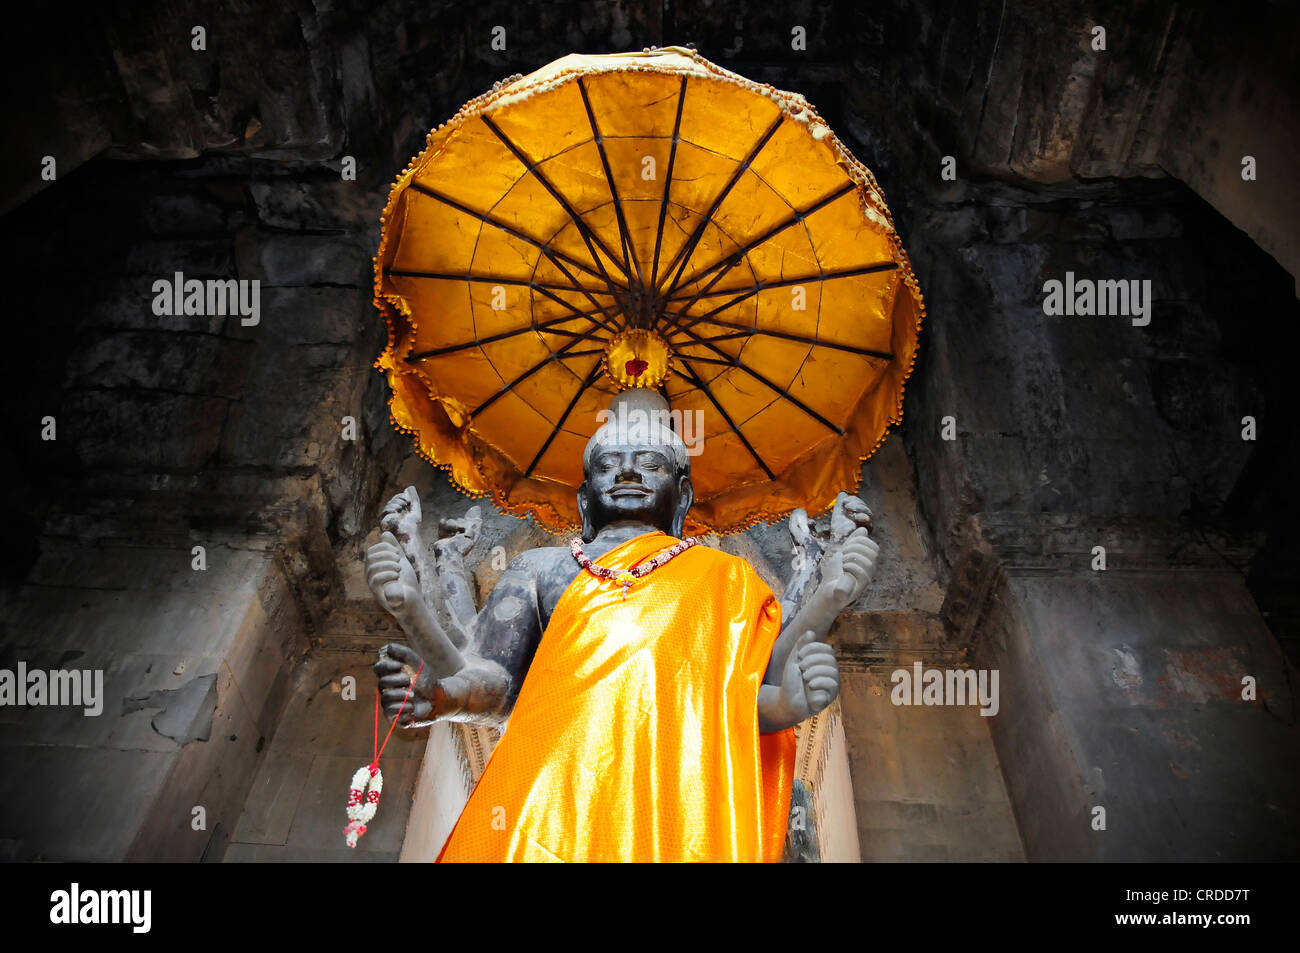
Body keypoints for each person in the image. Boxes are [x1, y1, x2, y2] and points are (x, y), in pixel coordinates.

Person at [367, 389, 878, 861]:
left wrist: (819, 623)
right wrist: (439, 694)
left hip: (676, 794)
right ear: (585, 499)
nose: (628, 473)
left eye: (650, 463)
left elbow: (729, 703)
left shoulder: (726, 576)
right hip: (548, 787)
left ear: (681, 497)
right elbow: (498, 684)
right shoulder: (541, 566)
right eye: (609, 463)